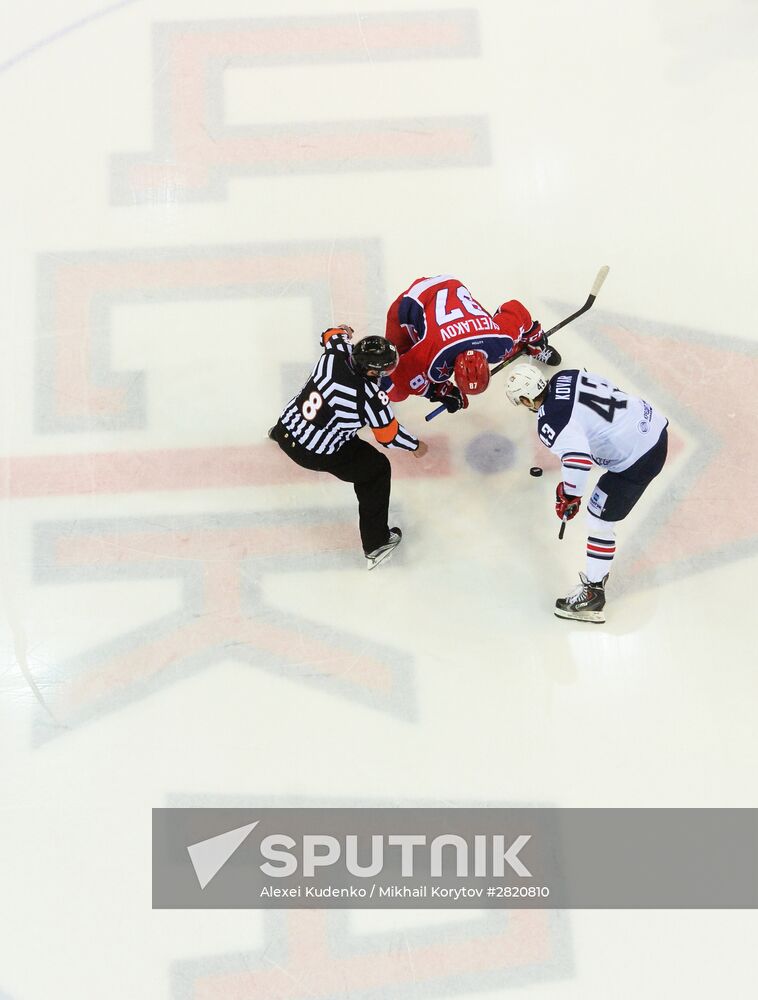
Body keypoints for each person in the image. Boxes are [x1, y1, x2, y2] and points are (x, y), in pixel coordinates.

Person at [504, 364, 669, 622]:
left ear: (526, 399)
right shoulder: (566, 376)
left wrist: (569, 495)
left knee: (598, 521)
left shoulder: (550, 421)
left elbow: (578, 461)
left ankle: (593, 595)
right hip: (649, 422)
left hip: (638, 458)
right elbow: (609, 387)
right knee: (599, 512)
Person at [269, 324, 427, 569]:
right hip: (313, 452)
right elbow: (389, 436)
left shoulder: (336, 354)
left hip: (286, 427)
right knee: (377, 469)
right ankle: (376, 544)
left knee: (317, 414)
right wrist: (415, 445)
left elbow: (330, 334)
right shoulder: (369, 398)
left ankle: (276, 434)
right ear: (372, 372)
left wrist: (344, 331)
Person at [383, 274, 561, 413]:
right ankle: (368, 387)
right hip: (411, 303)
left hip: (450, 291)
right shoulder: (431, 354)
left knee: (507, 347)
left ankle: (528, 346)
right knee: (393, 389)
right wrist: (440, 391)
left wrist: (534, 337)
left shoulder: (499, 342)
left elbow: (516, 309)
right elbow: (401, 377)